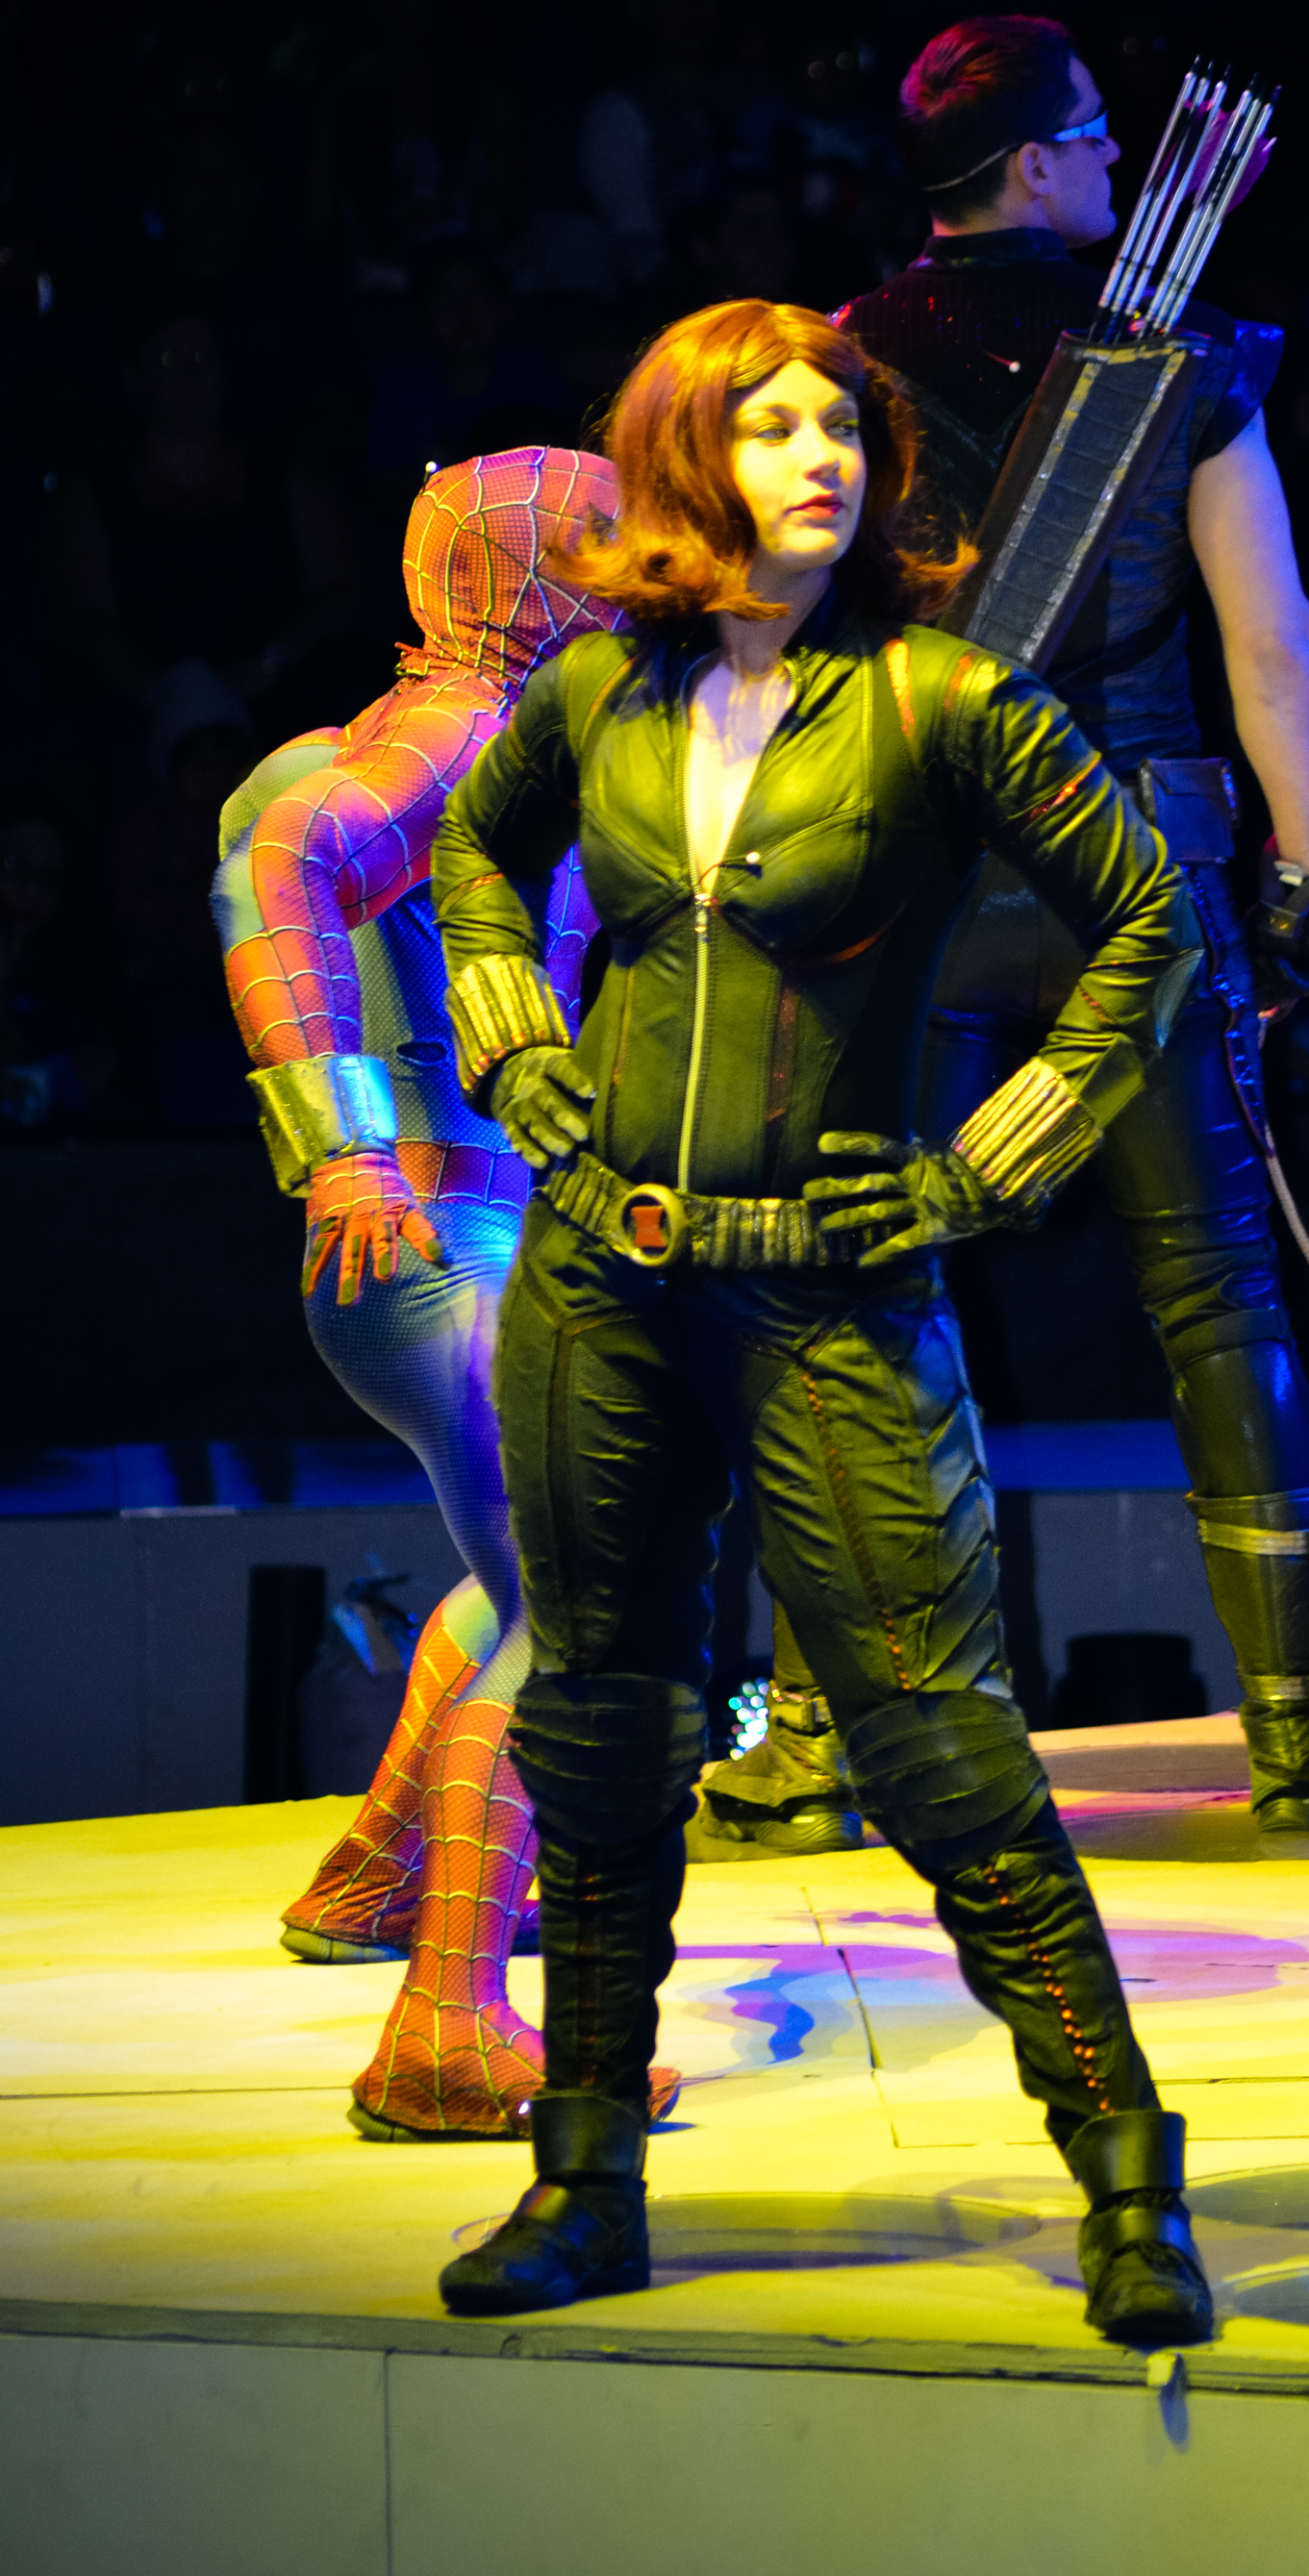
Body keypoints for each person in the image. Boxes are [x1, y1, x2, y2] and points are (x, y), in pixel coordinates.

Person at [431, 297, 1215, 2348]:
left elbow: (1151, 914)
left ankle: (1130, 2179)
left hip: (835, 1289)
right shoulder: (598, 689)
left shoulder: (946, 696)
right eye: (774, 426)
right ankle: (582, 2176)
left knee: (940, 1747)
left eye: (843, 427)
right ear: (686, 460)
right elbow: (473, 853)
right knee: (603, 1728)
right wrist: (509, 1037)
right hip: (601, 1276)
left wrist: (983, 1167)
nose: (824, 457)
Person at [697, 13, 1309, 1853]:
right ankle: (1303, 1739)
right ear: (1030, 163)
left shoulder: (832, 363)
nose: (1115, 159)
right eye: (1093, 135)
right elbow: (1268, 643)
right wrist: (1305, 874)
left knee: (855, 1294)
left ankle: (820, 1739)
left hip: (916, 877)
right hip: (1141, 875)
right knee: (1219, 1300)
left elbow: (777, 634)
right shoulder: (1177, 360)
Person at [214, 444, 674, 2140]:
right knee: (577, 1601)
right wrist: (336, 1144)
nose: (640, 573)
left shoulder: (461, 731)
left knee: (525, 1574)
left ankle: (374, 1880)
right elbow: (279, 865)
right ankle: (444, 2028)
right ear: (528, 577)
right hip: (435, 1240)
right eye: (605, 547)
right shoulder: (461, 730)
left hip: (457, 1239)